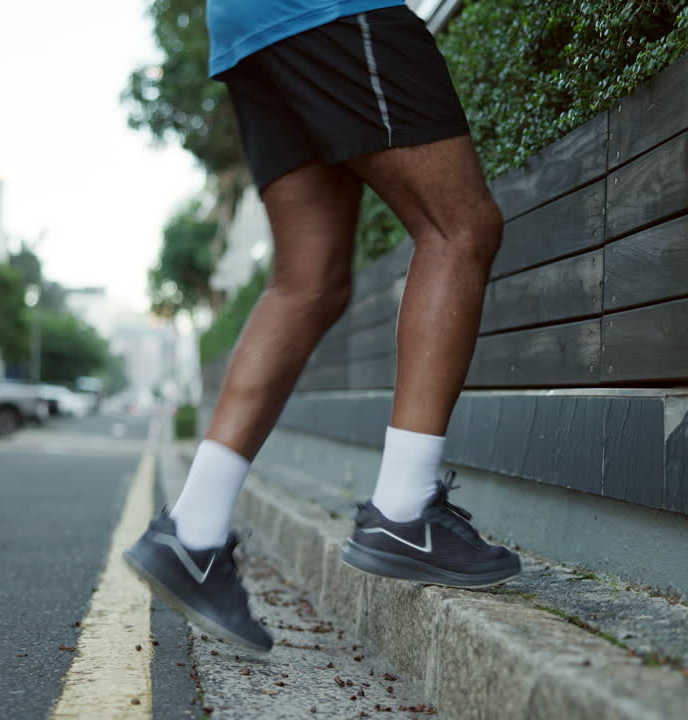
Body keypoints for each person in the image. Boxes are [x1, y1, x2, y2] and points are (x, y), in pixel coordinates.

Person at [123, 0, 520, 653]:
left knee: (307, 282)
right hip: (332, 8)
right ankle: (405, 508)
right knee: (461, 227)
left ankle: (192, 530)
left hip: (246, 30)